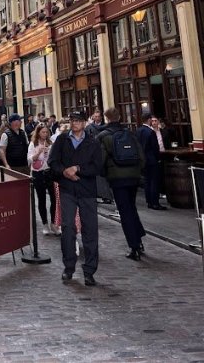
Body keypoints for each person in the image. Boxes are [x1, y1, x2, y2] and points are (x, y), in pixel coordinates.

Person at [48, 110, 102, 286]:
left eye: (78, 120)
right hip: (68, 189)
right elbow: (52, 162)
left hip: (87, 190)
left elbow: (97, 167)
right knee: (68, 227)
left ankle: (89, 270)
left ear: (84, 123)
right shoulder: (62, 140)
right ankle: (68, 267)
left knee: (90, 229)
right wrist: (64, 172)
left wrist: (78, 169)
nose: (75, 123)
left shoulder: (93, 142)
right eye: (72, 120)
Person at [99, 108, 146, 260]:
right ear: (119, 117)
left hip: (117, 178)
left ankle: (134, 246)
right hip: (133, 176)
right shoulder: (129, 133)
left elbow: (101, 160)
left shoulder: (104, 136)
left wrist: (105, 174)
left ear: (106, 119)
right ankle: (138, 239)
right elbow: (141, 156)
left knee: (125, 211)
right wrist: (137, 171)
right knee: (131, 208)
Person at [27, 124, 58, 235]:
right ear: (38, 133)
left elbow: (54, 158)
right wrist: (39, 152)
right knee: (42, 199)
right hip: (38, 174)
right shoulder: (33, 144)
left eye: (46, 132)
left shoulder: (50, 143)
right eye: (43, 132)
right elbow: (29, 159)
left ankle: (54, 224)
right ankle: (45, 224)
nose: (45, 134)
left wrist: (49, 154)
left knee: (54, 198)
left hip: (49, 173)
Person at [137, 112, 167, 210]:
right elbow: (155, 147)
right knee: (154, 181)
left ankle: (149, 201)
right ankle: (155, 202)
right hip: (152, 159)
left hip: (143, 159)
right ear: (149, 120)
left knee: (147, 181)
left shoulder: (138, 131)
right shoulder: (150, 132)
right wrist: (158, 158)